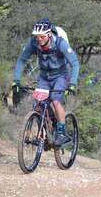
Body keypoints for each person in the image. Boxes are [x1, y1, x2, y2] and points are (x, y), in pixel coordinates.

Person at [12, 18, 80, 146]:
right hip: (44, 77)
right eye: (37, 36)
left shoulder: (60, 44)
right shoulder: (33, 43)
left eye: (42, 36)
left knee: (55, 100)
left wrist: (72, 83)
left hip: (60, 76)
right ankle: (46, 133)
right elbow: (21, 60)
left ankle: (61, 132)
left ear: (49, 34)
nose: (39, 39)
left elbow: (75, 63)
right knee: (38, 104)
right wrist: (16, 80)